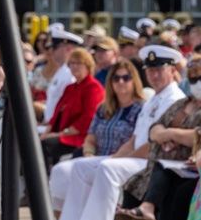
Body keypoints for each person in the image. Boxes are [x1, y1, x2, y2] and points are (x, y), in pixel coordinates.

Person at [55, 45, 186, 220]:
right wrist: (115, 157)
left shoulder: (174, 99)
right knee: (80, 168)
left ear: (171, 71)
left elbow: (154, 145)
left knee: (108, 169)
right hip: (135, 157)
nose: (154, 76)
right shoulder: (153, 99)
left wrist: (120, 159)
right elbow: (134, 140)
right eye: (150, 70)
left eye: (159, 70)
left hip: (153, 161)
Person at [115, 55, 201, 220]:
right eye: (193, 79)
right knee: (132, 186)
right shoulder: (182, 103)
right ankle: (143, 210)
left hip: (187, 167)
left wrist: (170, 133)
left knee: (173, 194)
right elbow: (154, 129)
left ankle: (147, 209)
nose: (199, 83)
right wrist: (162, 133)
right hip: (157, 165)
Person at [48, 58, 146, 212]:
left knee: (98, 170)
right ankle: (62, 214)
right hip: (96, 158)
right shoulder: (104, 108)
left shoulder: (141, 109)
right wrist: (89, 154)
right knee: (59, 171)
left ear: (134, 81)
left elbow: (135, 142)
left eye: (126, 78)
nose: (120, 82)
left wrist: (112, 159)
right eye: (116, 78)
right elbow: (91, 137)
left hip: (121, 160)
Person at [40, 46, 104, 170]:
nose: (74, 67)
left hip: (79, 137)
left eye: (79, 63)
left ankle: (43, 184)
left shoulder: (93, 88)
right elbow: (57, 113)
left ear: (87, 66)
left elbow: (88, 118)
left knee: (45, 145)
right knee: (30, 141)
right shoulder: (70, 87)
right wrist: (48, 131)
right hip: (61, 132)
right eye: (72, 63)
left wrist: (60, 134)